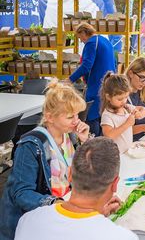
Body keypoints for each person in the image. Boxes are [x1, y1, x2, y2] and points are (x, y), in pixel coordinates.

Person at [0, 79, 90, 240]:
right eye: (70, 117)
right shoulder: (30, 145)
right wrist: (55, 203)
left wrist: (84, 141)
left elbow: (78, 170)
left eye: (77, 114)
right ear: (49, 117)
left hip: (60, 211)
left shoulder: (68, 134)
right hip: (32, 223)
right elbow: (20, 193)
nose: (77, 120)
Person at [14, 137, 138, 240]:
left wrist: (96, 216)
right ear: (115, 184)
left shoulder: (27, 220)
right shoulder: (122, 237)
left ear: (69, 174)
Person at [69, 22, 116, 136]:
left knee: (92, 115)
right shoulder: (105, 41)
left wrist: (70, 79)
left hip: (96, 85)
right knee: (105, 115)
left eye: (81, 37)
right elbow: (114, 62)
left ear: (85, 32)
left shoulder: (91, 43)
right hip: (109, 84)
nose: (81, 41)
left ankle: (93, 140)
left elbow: (86, 65)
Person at [100, 72, 145, 153]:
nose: (123, 101)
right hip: (116, 155)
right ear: (108, 97)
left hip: (128, 152)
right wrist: (127, 124)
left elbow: (144, 110)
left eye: (126, 97)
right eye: (119, 99)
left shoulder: (126, 108)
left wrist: (138, 114)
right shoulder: (107, 115)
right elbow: (109, 135)